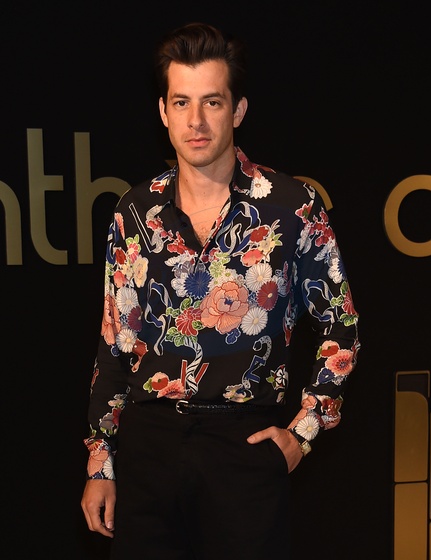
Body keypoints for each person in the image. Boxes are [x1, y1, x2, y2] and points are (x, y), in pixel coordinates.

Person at [81, 21, 360, 560]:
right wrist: (101, 461)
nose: (196, 121)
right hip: (148, 451)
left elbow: (340, 324)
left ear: (238, 110)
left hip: (244, 450)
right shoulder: (134, 212)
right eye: (181, 102)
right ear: (163, 112)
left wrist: (303, 432)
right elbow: (114, 342)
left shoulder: (290, 206)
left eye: (212, 102)